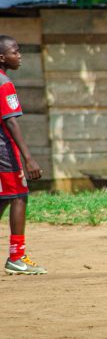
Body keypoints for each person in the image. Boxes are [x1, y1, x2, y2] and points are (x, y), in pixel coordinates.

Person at [0, 35, 46, 275]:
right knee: (19, 196)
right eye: (15, 52)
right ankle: (17, 257)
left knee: (3, 198)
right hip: (4, 151)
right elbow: (11, 122)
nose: (19, 56)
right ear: (2, 57)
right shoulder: (4, 83)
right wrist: (28, 158)